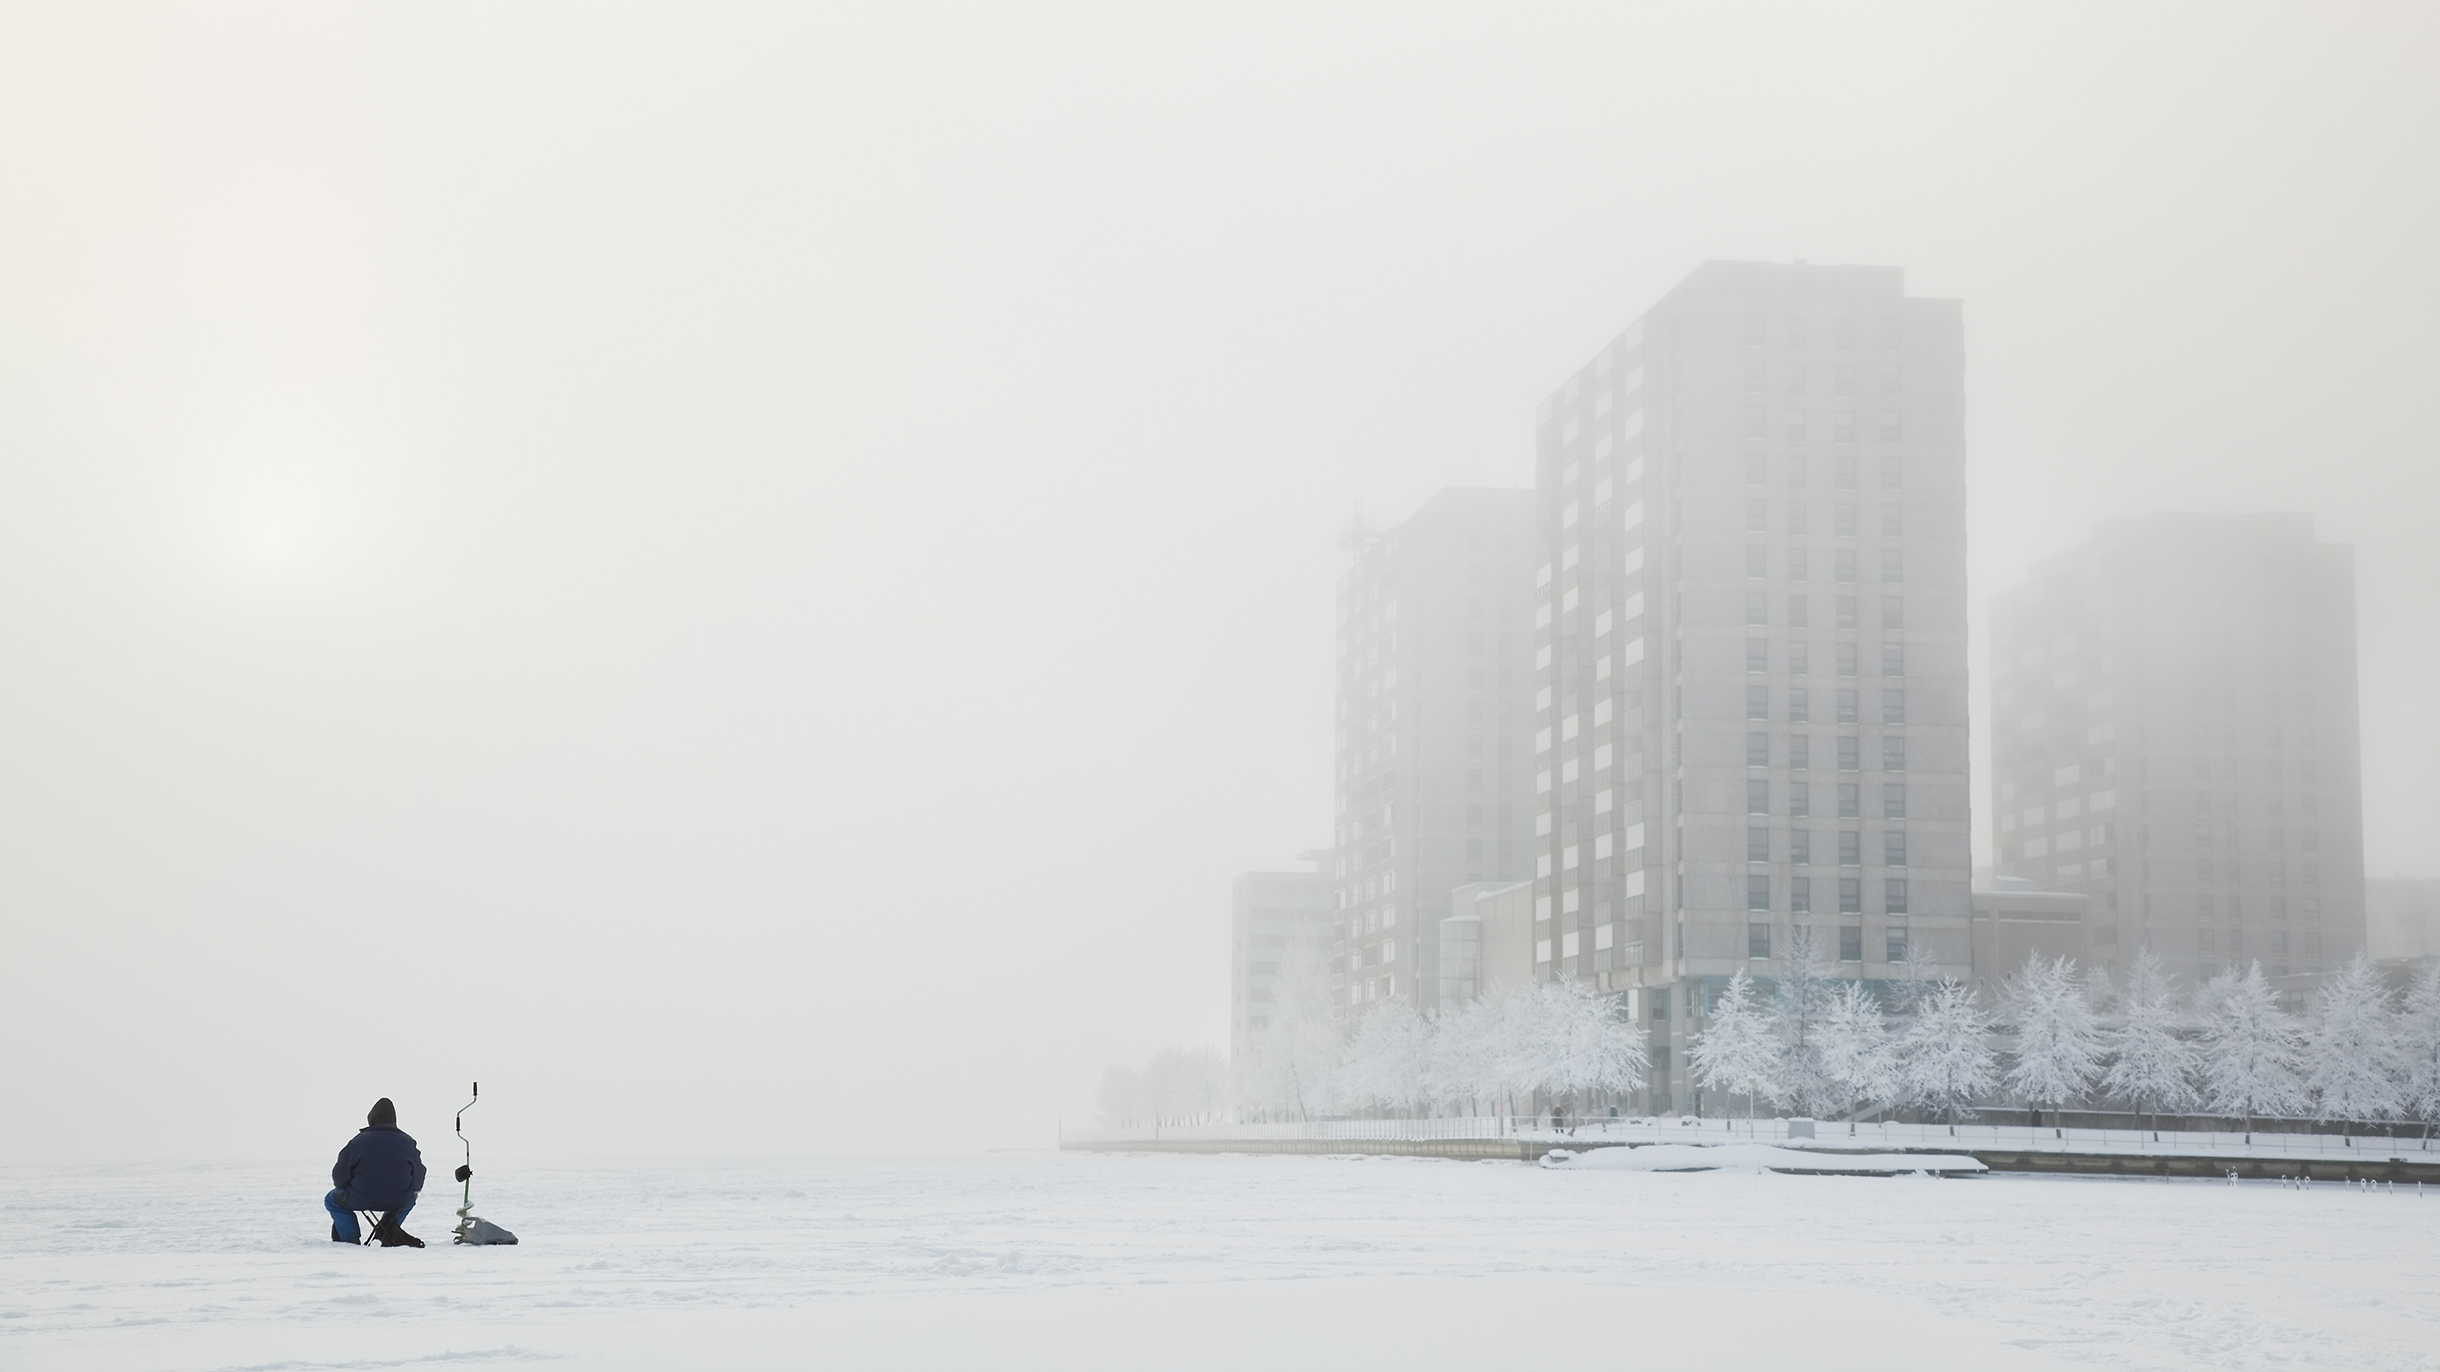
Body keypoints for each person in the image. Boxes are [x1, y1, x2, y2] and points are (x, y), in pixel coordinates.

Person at [326, 1097, 427, 1247]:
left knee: (332, 1200)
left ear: (371, 1118)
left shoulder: (357, 1142)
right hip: (399, 1199)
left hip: (360, 1198)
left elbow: (339, 1176)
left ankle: (350, 1239)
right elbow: (419, 1174)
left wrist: (347, 1187)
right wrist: (413, 1189)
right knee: (410, 1199)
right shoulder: (408, 1142)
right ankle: (386, 1230)